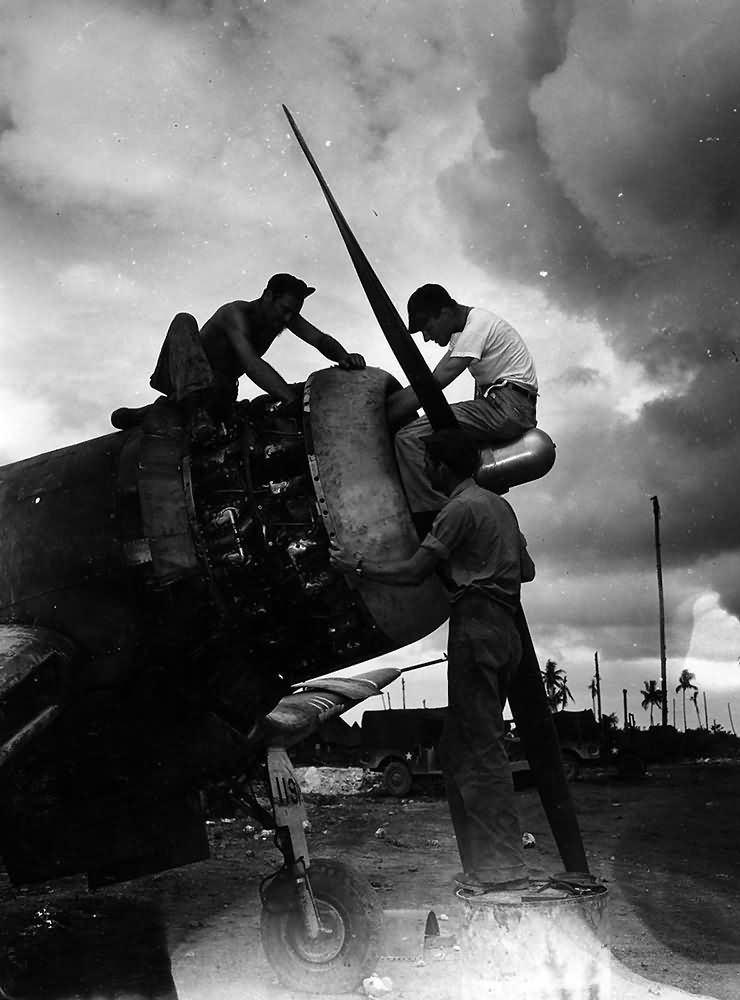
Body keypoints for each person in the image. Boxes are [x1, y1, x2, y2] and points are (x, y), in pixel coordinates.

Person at [330, 427, 536, 894]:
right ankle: (487, 867)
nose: (423, 471)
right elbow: (527, 570)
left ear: (443, 467)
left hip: (477, 624)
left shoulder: (458, 510)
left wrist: (355, 566)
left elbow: (413, 571)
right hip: (507, 630)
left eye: (427, 463)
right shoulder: (499, 506)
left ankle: (502, 871)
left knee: (480, 749)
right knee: (466, 748)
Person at [111, 273, 365, 437]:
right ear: (267, 296)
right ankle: (191, 408)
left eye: (293, 313)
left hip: (220, 391)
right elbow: (251, 363)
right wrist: (288, 398)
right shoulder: (234, 314)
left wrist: (343, 355)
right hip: (183, 377)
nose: (287, 319)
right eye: (285, 310)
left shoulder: (282, 317)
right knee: (184, 321)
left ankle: (155, 412)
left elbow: (318, 338)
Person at [388, 283, 538, 530]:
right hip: (508, 405)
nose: (426, 337)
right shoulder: (466, 332)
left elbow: (435, 383)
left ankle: (435, 521)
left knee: (409, 437)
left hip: (505, 407)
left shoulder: (476, 327)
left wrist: (388, 410)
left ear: (445, 313)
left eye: (428, 327)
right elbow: (432, 377)